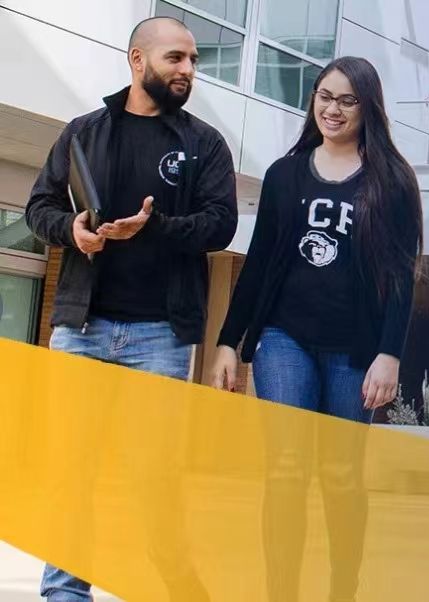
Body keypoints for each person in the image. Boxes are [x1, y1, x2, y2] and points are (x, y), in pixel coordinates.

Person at [23, 16, 238, 602]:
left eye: (193, 61)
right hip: (82, 328)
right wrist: (71, 230)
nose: (188, 70)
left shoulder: (204, 144)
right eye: (176, 58)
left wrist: (154, 226)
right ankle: (64, 592)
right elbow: (39, 207)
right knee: (72, 473)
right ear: (137, 60)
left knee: (155, 484)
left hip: (161, 335)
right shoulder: (83, 133)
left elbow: (221, 225)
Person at [206, 56, 422, 602]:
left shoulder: (392, 181)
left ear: (368, 108)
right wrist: (229, 341)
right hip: (285, 338)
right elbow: (258, 263)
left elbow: (401, 276)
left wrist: (390, 353)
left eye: (347, 100)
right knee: (285, 468)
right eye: (325, 96)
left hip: (356, 348)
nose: (333, 109)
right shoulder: (285, 175)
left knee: (342, 475)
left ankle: (342, 588)